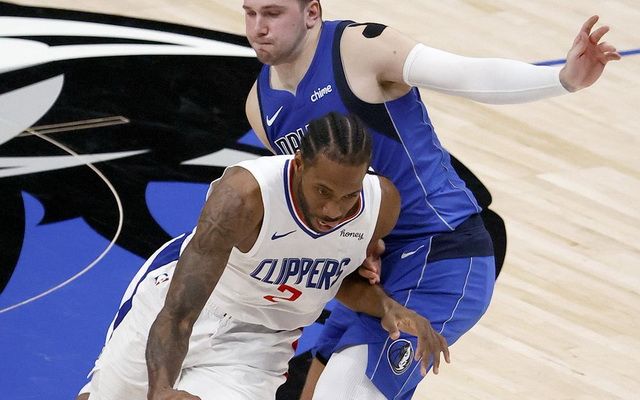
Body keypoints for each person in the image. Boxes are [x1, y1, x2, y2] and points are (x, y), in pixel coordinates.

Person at [242, 1, 621, 398]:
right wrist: (354, 245)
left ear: (311, 13)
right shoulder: (261, 107)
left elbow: (464, 74)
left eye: (272, 13)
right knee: (313, 390)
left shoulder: (359, 49)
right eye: (250, 13)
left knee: (342, 392)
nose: (258, 28)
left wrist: (563, 79)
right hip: (373, 271)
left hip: (441, 249)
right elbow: (316, 204)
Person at [75, 111, 449, 400]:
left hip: (259, 341)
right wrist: (160, 389)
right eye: (323, 191)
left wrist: (387, 307)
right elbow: (178, 312)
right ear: (299, 164)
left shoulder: (381, 206)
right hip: (183, 308)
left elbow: (333, 278)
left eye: (348, 195)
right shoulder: (243, 197)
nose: (334, 210)